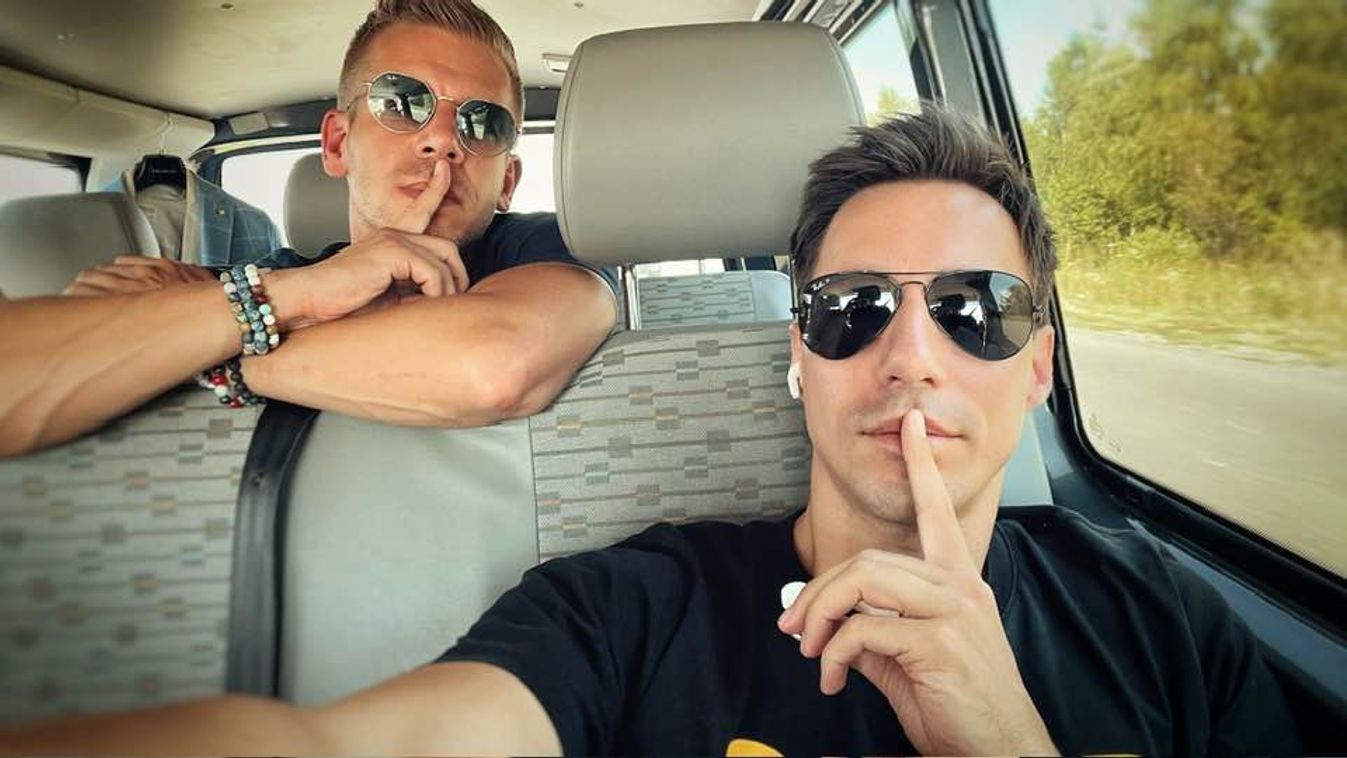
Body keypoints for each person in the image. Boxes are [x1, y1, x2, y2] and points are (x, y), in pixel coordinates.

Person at [0, 111, 1300, 755]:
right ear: (794, 356)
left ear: (1039, 368)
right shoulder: (632, 610)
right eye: (851, 310)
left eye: (973, 311)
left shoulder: (1158, 615)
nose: (910, 354)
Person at [0, 0, 615, 458]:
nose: (443, 140)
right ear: (338, 143)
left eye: (484, 124)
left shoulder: (547, 253)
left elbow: (493, 366)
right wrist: (284, 298)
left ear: (507, 181)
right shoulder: (255, 285)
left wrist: (219, 353)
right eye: (401, 102)